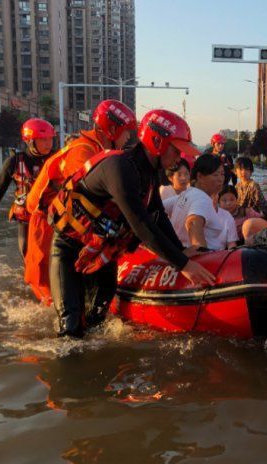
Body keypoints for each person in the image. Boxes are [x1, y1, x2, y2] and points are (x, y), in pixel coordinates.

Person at [48, 109, 215, 338]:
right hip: (69, 248)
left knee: (98, 319)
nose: (180, 158)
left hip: (101, 252)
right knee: (71, 327)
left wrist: (181, 249)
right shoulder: (119, 168)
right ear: (157, 142)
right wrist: (182, 264)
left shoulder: (150, 173)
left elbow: (157, 215)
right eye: (176, 150)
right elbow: (140, 224)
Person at [24, 100, 137, 305]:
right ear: (112, 129)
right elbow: (82, 199)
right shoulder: (83, 151)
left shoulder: (99, 150)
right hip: (49, 223)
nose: (128, 137)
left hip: (67, 221)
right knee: (50, 293)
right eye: (126, 131)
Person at [0, 118, 55, 257]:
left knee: (51, 256)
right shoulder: (14, 162)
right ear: (30, 141)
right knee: (27, 252)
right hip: (26, 218)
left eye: (50, 139)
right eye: (43, 139)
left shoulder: (57, 158)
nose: (48, 143)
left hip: (51, 217)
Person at [164, 154, 238, 250]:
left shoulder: (186, 194)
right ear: (200, 176)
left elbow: (158, 207)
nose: (220, 179)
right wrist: (200, 252)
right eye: (215, 175)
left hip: (180, 253)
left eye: (222, 174)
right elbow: (193, 223)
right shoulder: (202, 199)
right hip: (206, 261)